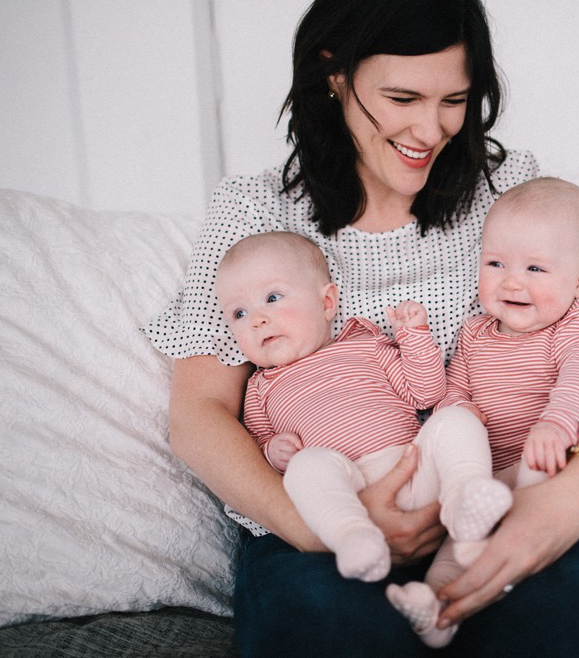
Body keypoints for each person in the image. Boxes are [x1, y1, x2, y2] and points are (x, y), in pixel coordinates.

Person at [145, 0, 579, 654]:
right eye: (401, 98)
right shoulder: (254, 211)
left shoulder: (511, 190)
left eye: (454, 100)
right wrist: (323, 528)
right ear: (334, 74)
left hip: (502, 497)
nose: (430, 129)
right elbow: (197, 417)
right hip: (325, 527)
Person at [386, 177, 579, 647]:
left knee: (537, 471)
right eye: (495, 263)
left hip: (545, 478)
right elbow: (455, 390)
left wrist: (556, 423)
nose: (512, 281)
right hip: (486, 486)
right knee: (460, 533)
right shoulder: (475, 333)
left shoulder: (577, 325)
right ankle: (433, 611)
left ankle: (469, 586)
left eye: (535, 268)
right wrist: (460, 407)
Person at [214, 231, 511, 583]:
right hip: (347, 488)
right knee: (305, 468)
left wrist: (414, 337)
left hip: (414, 468)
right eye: (239, 313)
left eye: (273, 297)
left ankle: (466, 494)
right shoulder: (260, 388)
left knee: (456, 418)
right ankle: (353, 537)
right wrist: (271, 452)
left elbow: (426, 393)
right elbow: (261, 442)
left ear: (326, 303)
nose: (256, 320)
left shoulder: (366, 346)